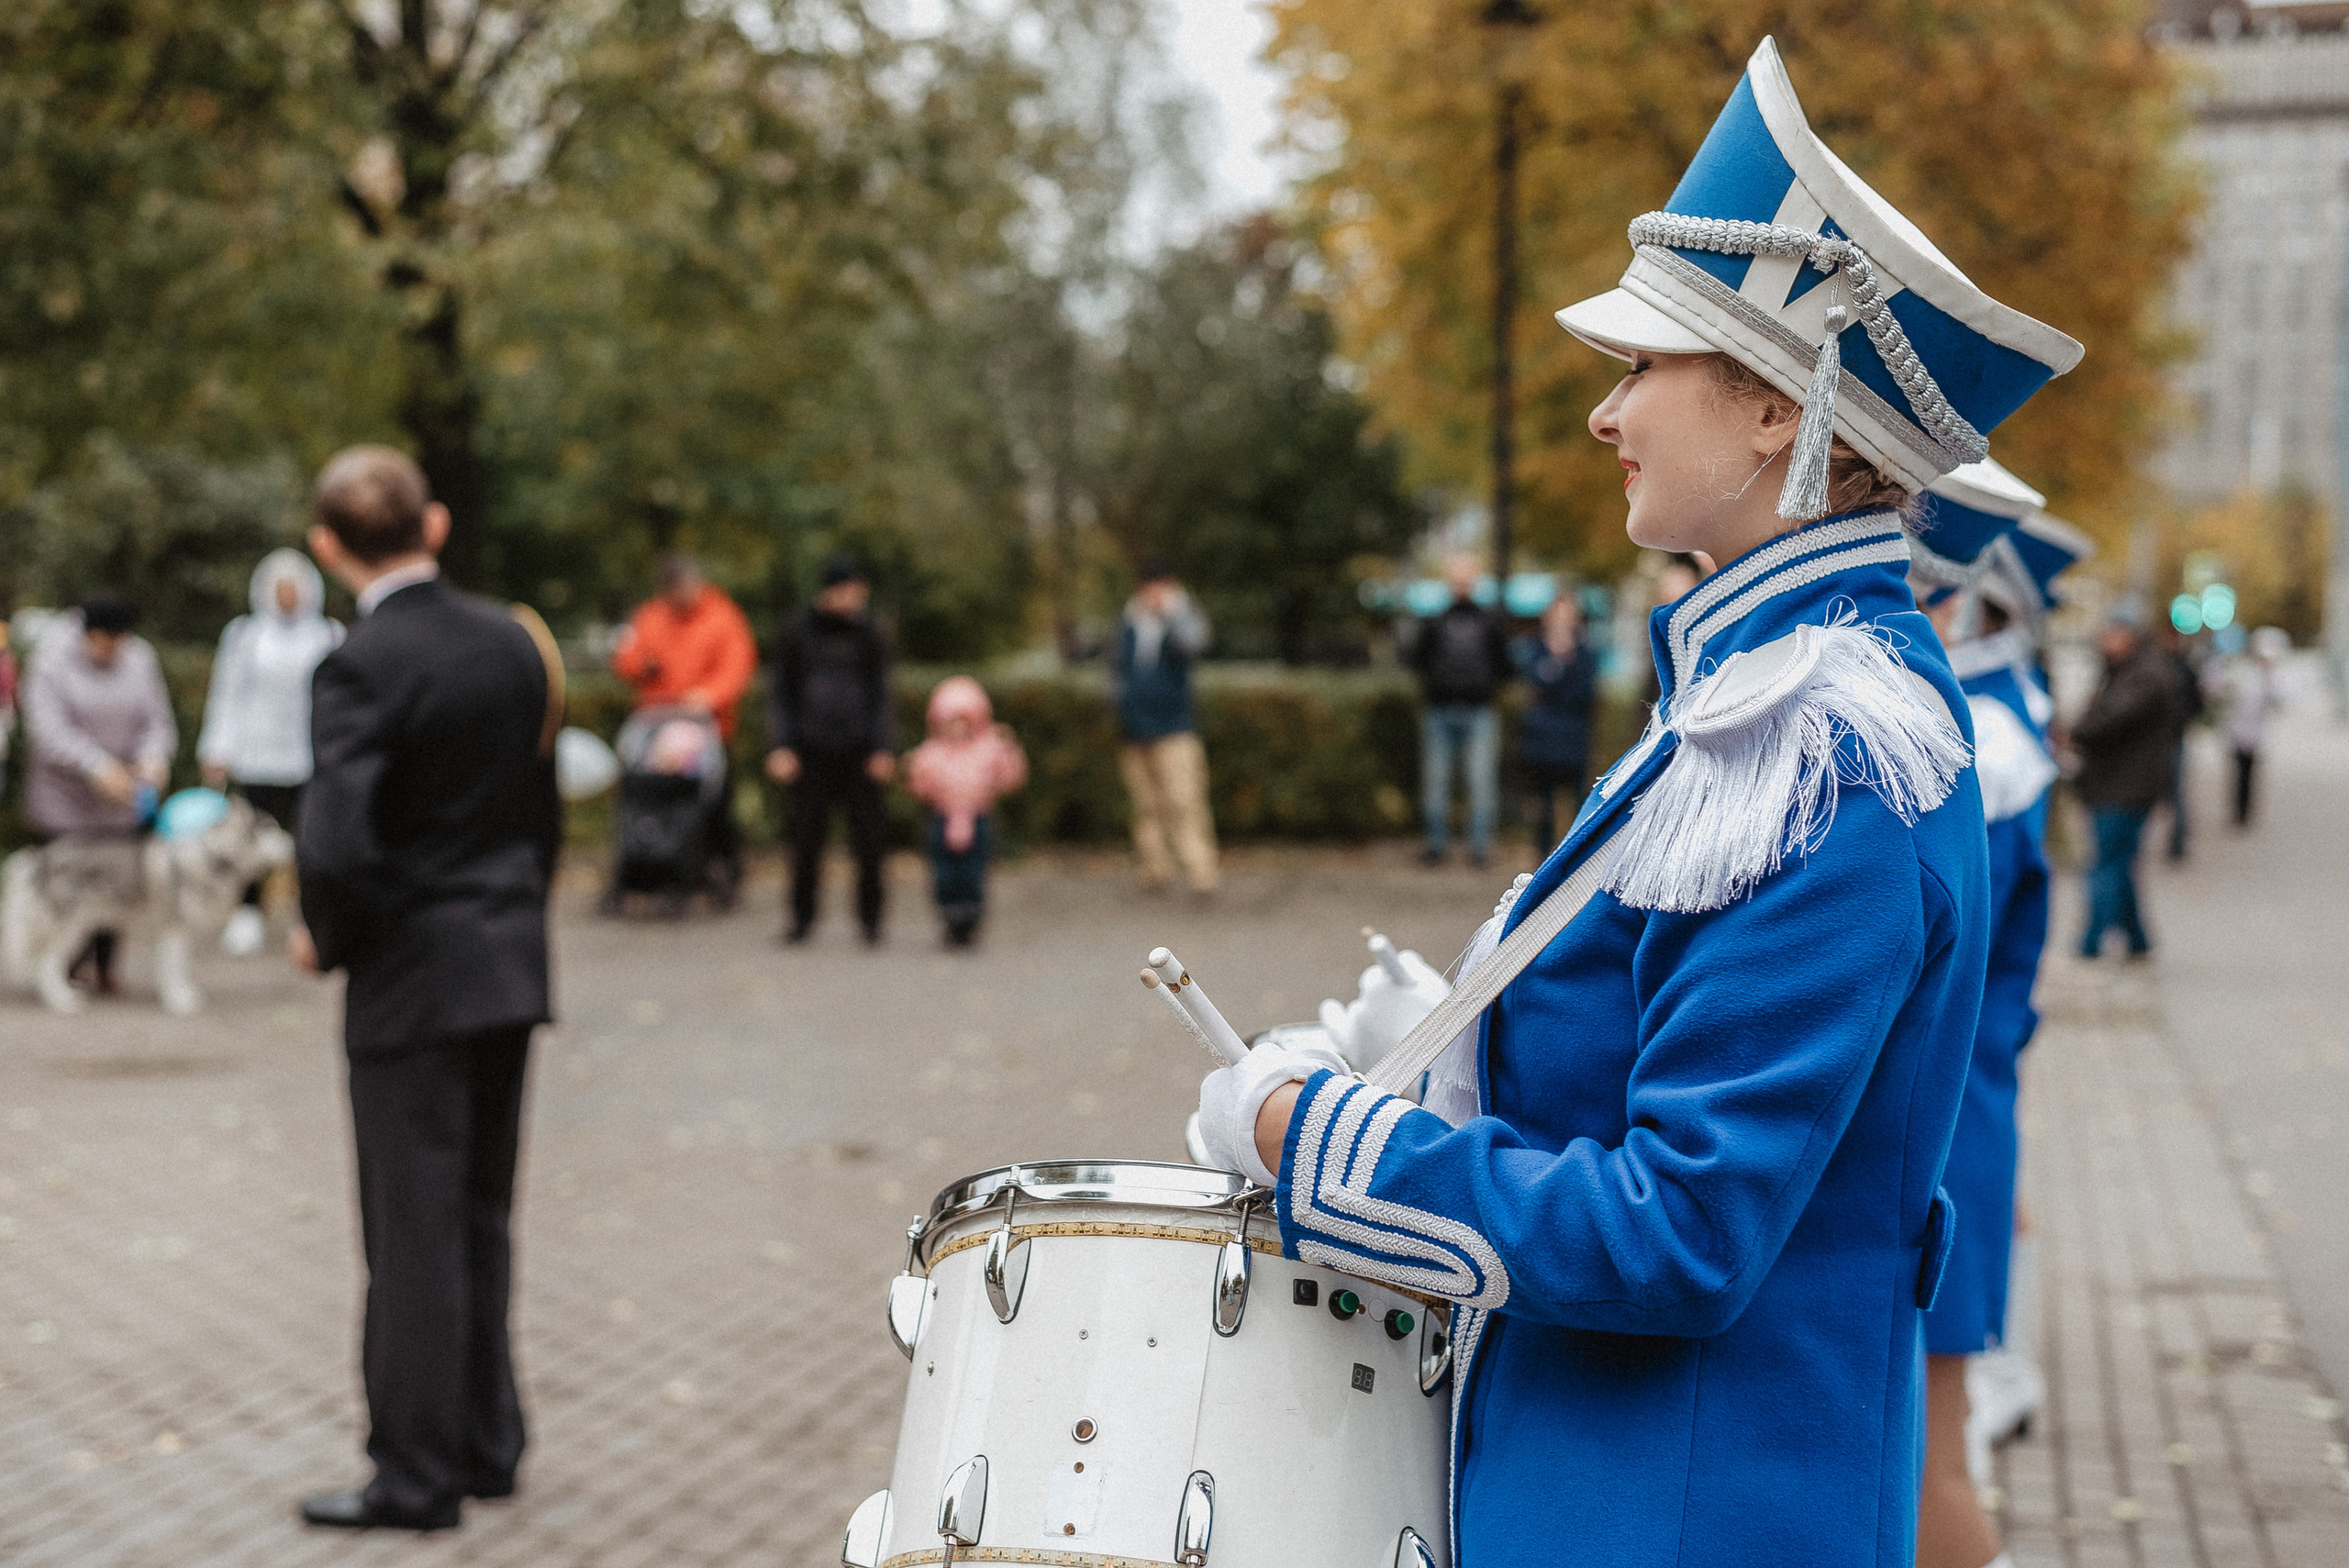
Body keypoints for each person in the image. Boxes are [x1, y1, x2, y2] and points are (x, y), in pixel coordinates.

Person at [1194, 37, 2083, 1568]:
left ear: (1771, 414)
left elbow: (1681, 1229)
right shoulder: (1775, 694)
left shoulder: (1822, 743)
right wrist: (1471, 1053)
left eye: (1640, 368)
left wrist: (1313, 1138)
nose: (1606, 415)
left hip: (1690, 1502)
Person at [291, 445, 561, 1532]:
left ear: (325, 546)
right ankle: (489, 1443)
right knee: (482, 1217)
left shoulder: (359, 661)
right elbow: (540, 812)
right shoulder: (512, 641)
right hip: (507, 962)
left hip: (411, 980)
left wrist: (330, 936)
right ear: (434, 524)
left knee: (411, 1232)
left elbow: (337, 840)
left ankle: (415, 1473)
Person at [1907, 462, 2071, 1568]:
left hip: (1946, 1125)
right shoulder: (1992, 728)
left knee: (1931, 1462)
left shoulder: (1984, 748)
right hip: (1963, 1114)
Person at [20, 592, 178, 995]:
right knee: (68, 881)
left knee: (118, 879)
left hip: (123, 794)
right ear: (86, 633)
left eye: (119, 640)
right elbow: (47, 728)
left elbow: (156, 720)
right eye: (105, 640)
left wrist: (153, 758)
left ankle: (105, 967)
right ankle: (60, 966)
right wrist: (96, 765)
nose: (113, 649)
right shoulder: (52, 659)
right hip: (67, 795)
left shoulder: (141, 659)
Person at [197, 549, 345, 955]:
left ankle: (309, 912)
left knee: (310, 834)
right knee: (249, 834)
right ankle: (248, 913)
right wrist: (217, 746)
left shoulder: (327, 635)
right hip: (256, 751)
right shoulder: (245, 634)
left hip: (308, 752)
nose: (286, 597)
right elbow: (228, 692)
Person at [609, 553, 757, 899]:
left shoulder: (722, 617)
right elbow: (626, 656)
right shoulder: (649, 616)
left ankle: (725, 871)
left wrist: (708, 695)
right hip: (655, 730)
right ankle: (651, 869)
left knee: (715, 805)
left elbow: (737, 666)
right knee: (648, 801)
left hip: (707, 732)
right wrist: (640, 666)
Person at [765, 556, 895, 943]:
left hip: (859, 751)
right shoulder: (797, 634)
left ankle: (871, 921)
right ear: (831, 591)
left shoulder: (870, 634)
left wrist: (883, 747)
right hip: (810, 751)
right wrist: (782, 745)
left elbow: (881, 695)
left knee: (870, 842)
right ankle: (802, 918)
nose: (857, 601)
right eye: (851, 592)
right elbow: (781, 695)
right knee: (805, 842)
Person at [2069, 609, 2183, 959]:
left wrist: (2075, 733)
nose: (2103, 640)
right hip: (2121, 783)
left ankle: (2090, 941)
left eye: (2110, 633)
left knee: (2107, 863)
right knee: (2120, 861)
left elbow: (2106, 722)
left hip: (2125, 786)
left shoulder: (2145, 674)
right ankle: (2137, 939)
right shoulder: (2129, 669)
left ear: (2129, 635)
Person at [1111, 560, 1219, 894]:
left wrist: (1169, 617)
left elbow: (1195, 645)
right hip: (1134, 728)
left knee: (1184, 801)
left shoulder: (1184, 616)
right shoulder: (1129, 620)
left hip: (1175, 727)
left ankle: (1201, 872)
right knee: (1146, 805)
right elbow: (1115, 666)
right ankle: (1155, 869)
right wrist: (1119, 701)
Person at [902, 676, 1028, 947]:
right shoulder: (932, 752)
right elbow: (919, 788)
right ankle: (950, 918)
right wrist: (913, 771)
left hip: (977, 817)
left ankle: (970, 920)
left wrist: (1009, 749)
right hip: (943, 818)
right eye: (951, 723)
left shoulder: (989, 749)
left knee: (973, 872)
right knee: (944, 873)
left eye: (964, 722)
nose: (958, 729)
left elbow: (1010, 779)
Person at [1408, 555, 1512, 867]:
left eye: (1467, 580)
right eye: (1458, 580)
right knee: (1436, 781)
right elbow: (1417, 661)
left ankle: (1478, 848)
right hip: (1439, 710)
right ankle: (1436, 845)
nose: (1462, 586)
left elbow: (1504, 665)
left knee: (1480, 782)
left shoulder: (1490, 624)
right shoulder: (1434, 622)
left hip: (1479, 711)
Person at [1514, 592, 1598, 851]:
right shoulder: (1534, 648)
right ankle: (1543, 858)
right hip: (1543, 739)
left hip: (1573, 737)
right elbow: (1534, 682)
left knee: (1577, 803)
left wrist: (1555, 673)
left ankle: (1575, 855)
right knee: (1544, 804)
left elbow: (1583, 694)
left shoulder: (1585, 653)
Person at [2217, 626, 2288, 827]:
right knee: (2238, 773)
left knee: (2249, 773)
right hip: (2236, 730)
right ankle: (2238, 810)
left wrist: (2269, 676)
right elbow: (2223, 690)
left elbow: (2281, 700)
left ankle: (2245, 811)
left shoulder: (2269, 675)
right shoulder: (2240, 669)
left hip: (2256, 732)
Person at [2157, 625, 2204, 861]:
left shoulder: (2181, 669)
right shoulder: (2161, 665)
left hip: (2171, 738)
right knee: (2170, 794)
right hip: (2162, 739)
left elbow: (2197, 703)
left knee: (2175, 793)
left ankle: (2178, 842)